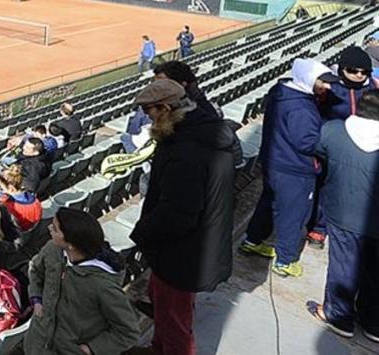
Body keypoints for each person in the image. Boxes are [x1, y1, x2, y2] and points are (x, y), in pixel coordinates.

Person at [129, 78, 236, 355]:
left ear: (165, 108)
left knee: (176, 321)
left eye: (149, 111)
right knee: (166, 312)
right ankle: (157, 348)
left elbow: (177, 214)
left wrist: (141, 234)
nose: (147, 117)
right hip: (192, 245)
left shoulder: (186, 150)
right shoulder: (199, 132)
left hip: (185, 251)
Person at [242, 59, 337, 278]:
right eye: (323, 82)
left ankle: (252, 240)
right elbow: (307, 142)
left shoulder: (281, 92)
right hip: (295, 168)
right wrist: (329, 142)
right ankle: (285, 260)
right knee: (294, 215)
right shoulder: (302, 107)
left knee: (268, 202)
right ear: (309, 80)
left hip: (274, 161)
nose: (328, 87)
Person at [307, 89, 379, 341]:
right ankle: (372, 324)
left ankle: (339, 316)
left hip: (343, 212)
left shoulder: (334, 130)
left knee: (343, 266)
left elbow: (320, 154)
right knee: (375, 272)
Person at [24, 208, 141, 355]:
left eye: (55, 229)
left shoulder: (102, 285)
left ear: (71, 244)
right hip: (38, 343)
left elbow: (128, 332)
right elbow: (35, 270)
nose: (49, 229)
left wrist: (91, 348)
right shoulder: (52, 249)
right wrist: (36, 299)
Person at [326, 45, 377, 121]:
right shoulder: (329, 87)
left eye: (364, 72)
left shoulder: (374, 86)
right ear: (342, 69)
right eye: (353, 71)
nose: (359, 75)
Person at [0, 165, 41, 232]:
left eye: (2, 188)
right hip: (30, 231)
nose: (2, 191)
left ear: (11, 188)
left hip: (16, 233)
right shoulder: (36, 201)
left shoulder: (8, 207)